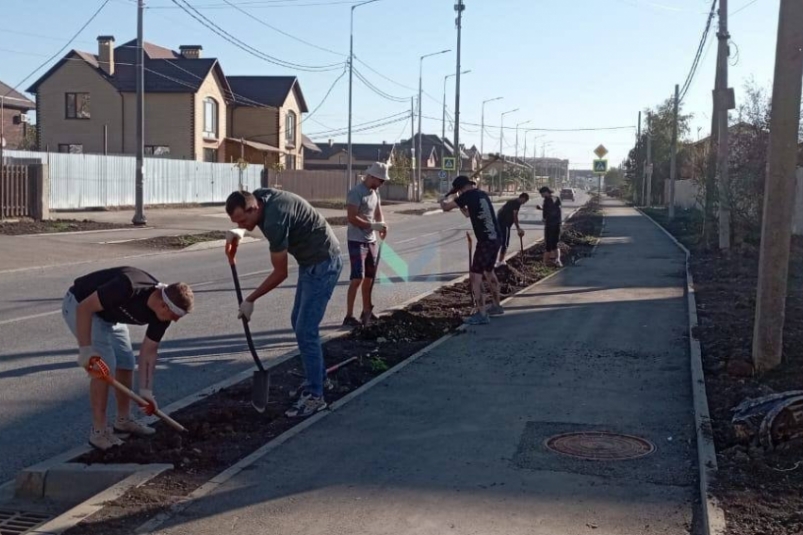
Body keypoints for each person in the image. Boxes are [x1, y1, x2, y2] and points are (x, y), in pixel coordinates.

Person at [225, 188, 342, 418]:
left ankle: (315, 396)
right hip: (311, 262)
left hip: (324, 263)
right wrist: (238, 231)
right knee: (298, 323)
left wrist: (250, 299)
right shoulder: (258, 198)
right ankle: (319, 379)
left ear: (254, 208)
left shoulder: (274, 222)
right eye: (236, 221)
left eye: (243, 219)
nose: (244, 225)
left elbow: (280, 273)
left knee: (306, 329)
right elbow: (250, 218)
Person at [62, 267, 194, 450]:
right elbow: (85, 308)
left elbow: (149, 350)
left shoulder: (162, 315)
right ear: (164, 306)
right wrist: (86, 350)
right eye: (175, 316)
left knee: (126, 361)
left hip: (110, 316)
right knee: (104, 366)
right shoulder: (128, 286)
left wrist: (146, 391)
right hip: (80, 305)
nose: (175, 321)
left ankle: (123, 420)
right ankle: (98, 432)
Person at [439, 175, 503, 325]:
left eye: (459, 191)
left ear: (461, 189)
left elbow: (445, 207)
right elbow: (468, 214)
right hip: (496, 239)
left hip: (485, 241)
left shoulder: (467, 195)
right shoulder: (481, 194)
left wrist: (442, 199)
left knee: (475, 276)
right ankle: (497, 305)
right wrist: (459, 202)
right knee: (489, 271)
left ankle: (482, 314)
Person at [343, 162, 389, 327]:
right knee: (357, 278)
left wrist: (382, 225)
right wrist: (372, 226)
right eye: (380, 180)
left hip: (371, 241)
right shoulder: (356, 193)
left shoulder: (375, 192)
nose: (381, 184)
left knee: (370, 278)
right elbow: (352, 217)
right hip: (356, 240)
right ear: (372, 176)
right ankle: (348, 315)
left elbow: (378, 212)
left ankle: (366, 311)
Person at [495, 192, 529, 267]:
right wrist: (518, 228)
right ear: (522, 198)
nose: (524, 203)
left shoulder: (511, 201)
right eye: (525, 201)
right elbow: (515, 217)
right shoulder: (516, 204)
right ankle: (500, 261)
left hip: (499, 223)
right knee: (505, 243)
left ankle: (495, 260)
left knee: (498, 242)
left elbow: (500, 211)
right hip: (505, 224)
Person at [537, 186, 563, 267]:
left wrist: (544, 218)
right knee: (555, 244)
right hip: (557, 224)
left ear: (545, 192)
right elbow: (554, 209)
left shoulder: (547, 200)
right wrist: (542, 209)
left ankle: (544, 263)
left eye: (542, 193)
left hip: (550, 225)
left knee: (548, 245)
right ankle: (557, 260)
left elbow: (550, 210)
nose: (541, 195)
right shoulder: (556, 198)